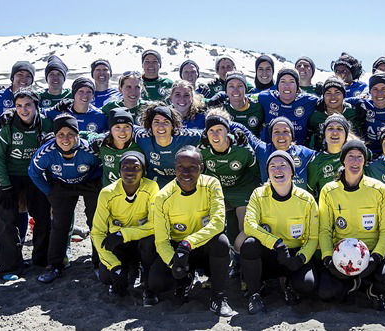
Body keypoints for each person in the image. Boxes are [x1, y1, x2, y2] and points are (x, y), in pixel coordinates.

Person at [147, 145, 235, 316]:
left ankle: (218, 297)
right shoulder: (163, 197)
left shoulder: (212, 185)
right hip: (179, 251)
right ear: (175, 169)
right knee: (156, 283)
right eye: (181, 167)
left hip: (203, 247)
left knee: (222, 242)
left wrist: (189, 242)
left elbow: (218, 223)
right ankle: (184, 279)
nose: (186, 173)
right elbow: (162, 240)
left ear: (201, 168)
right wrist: (174, 263)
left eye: (192, 168)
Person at [318, 140, 385, 311]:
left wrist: (376, 256)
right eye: (350, 157)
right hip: (341, 256)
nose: (355, 162)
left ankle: (371, 289)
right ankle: (355, 285)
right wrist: (327, 257)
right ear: (343, 160)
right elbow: (325, 229)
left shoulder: (379, 189)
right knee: (325, 293)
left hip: (372, 253)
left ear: (364, 161)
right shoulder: (328, 190)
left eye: (359, 157)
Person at [241, 150, 318, 313]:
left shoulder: (307, 199)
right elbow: (249, 225)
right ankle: (254, 293)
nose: (278, 170)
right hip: (270, 252)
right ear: (268, 173)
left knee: (307, 285)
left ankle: (288, 282)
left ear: (292, 171)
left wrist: (301, 258)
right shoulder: (259, 194)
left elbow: (313, 238)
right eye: (273, 167)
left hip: (293, 255)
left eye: (283, 166)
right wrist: (276, 244)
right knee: (249, 244)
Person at [29, 113, 102, 283]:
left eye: (70, 134)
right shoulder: (46, 152)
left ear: (77, 134)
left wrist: (99, 187)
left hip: (89, 182)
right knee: (60, 224)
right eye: (60, 135)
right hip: (61, 185)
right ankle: (55, 265)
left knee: (96, 222)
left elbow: (103, 165)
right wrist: (49, 192)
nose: (65, 139)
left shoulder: (89, 150)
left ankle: (99, 263)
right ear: (55, 136)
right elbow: (34, 173)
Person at [0, 88, 52, 279]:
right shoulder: (7, 125)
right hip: (9, 176)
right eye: (18, 106)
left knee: (43, 216)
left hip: (35, 176)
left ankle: (41, 259)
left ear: (36, 106)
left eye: (28, 105)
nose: (23, 110)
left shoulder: (45, 123)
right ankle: (10, 266)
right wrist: (6, 186)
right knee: (6, 220)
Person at [91, 151, 159, 305]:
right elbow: (97, 233)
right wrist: (114, 266)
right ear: (119, 170)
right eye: (125, 167)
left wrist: (124, 233)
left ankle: (147, 284)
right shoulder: (107, 193)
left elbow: (155, 225)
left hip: (141, 242)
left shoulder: (151, 187)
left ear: (143, 171)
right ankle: (126, 268)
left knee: (151, 241)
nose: (130, 171)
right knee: (106, 277)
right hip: (119, 244)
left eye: (136, 167)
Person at [199, 108, 260, 276]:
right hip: (220, 191)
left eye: (219, 130)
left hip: (243, 189)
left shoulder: (242, 149)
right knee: (212, 226)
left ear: (228, 131)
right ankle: (212, 267)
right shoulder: (202, 150)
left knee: (244, 229)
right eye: (211, 130)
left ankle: (241, 263)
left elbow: (255, 173)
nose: (215, 134)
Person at [233, 116, 316, 189]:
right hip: (270, 201)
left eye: (286, 131)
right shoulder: (263, 150)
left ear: (292, 135)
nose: (281, 135)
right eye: (276, 132)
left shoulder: (304, 153)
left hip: (298, 202)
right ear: (271, 136)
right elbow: (243, 129)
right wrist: (223, 123)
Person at [134, 103, 202, 188]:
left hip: (182, 186)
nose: (161, 126)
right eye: (156, 122)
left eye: (166, 122)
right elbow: (127, 127)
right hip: (154, 187)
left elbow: (208, 133)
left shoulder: (187, 137)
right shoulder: (142, 137)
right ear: (150, 126)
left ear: (172, 126)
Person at [0, 60, 36, 169]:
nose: (24, 79)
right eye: (20, 74)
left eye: (28, 76)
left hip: (19, 157)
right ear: (12, 77)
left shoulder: (34, 101)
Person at [256, 68, 319, 145]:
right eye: (283, 81)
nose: (287, 86)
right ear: (277, 85)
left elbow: (327, 101)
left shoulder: (309, 101)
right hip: (270, 150)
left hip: (297, 151)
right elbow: (246, 97)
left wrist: (323, 89)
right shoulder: (265, 97)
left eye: (292, 82)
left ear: (297, 86)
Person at [82, 108, 142, 187]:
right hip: (110, 194)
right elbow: (86, 134)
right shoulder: (101, 143)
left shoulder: (141, 144)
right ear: (110, 129)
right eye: (117, 127)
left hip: (138, 193)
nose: (122, 132)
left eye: (127, 127)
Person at [307, 76, 359, 150]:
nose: (333, 97)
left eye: (337, 92)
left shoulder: (353, 112)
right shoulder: (315, 117)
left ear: (343, 95)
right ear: (323, 96)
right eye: (328, 93)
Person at [307, 114, 353, 198]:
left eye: (339, 129)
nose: (335, 132)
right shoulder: (316, 162)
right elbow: (310, 192)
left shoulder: (356, 155)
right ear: (324, 133)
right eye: (330, 128)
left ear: (346, 134)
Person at [223, 71, 265, 135]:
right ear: (226, 91)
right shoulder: (221, 109)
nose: (236, 90)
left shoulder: (258, 107)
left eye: (240, 86)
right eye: (231, 86)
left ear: (245, 89)